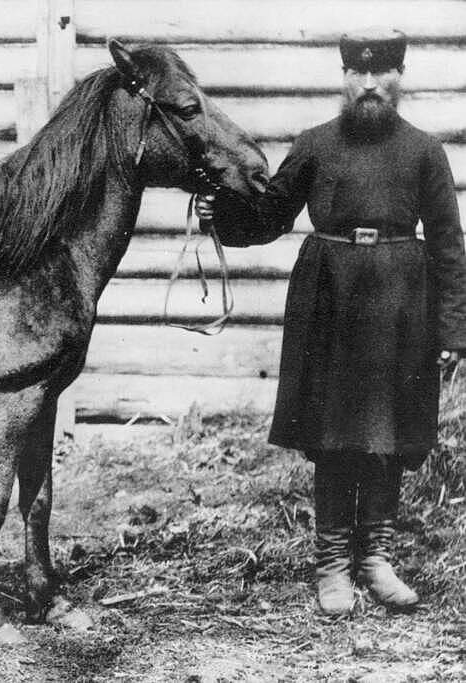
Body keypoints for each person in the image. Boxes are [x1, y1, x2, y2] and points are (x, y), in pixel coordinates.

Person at [195, 28, 466, 615]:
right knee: (334, 436)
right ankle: (333, 565)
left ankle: (376, 559)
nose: (368, 85)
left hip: (401, 306)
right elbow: (269, 217)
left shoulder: (424, 151)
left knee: (388, 436)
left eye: (381, 74)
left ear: (399, 77)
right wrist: (223, 215)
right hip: (331, 299)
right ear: (343, 78)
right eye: (357, 74)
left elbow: (448, 244)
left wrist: (451, 333)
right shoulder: (316, 145)